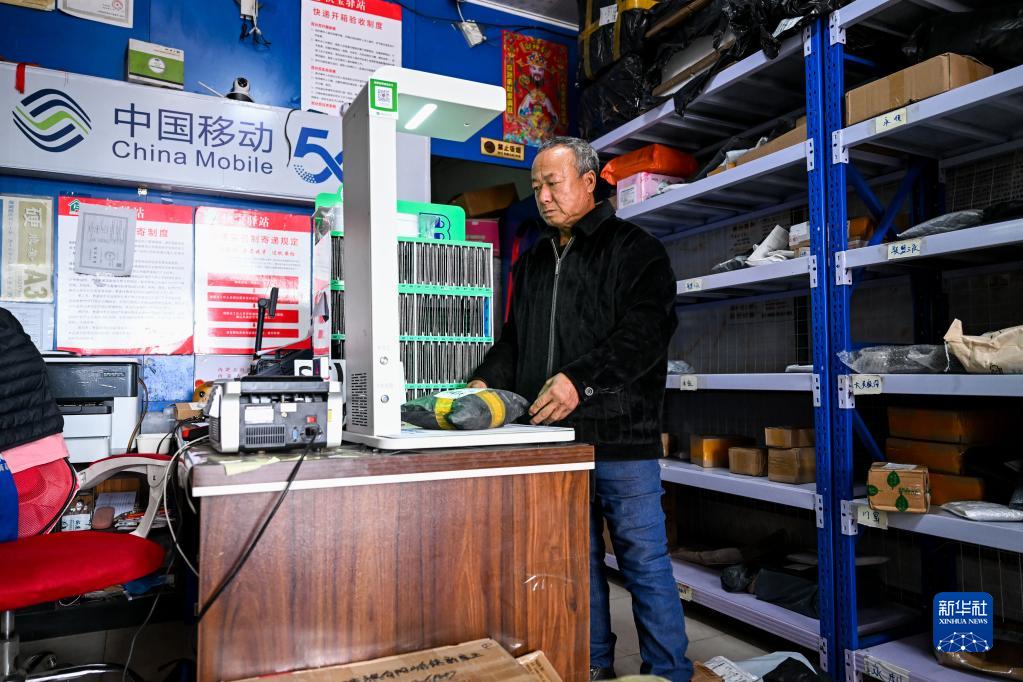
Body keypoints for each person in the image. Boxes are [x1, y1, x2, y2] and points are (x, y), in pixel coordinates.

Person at [469, 137, 692, 681]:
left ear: (589, 182)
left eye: (554, 183)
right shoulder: (533, 262)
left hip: (621, 437)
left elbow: (645, 333)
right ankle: (593, 667)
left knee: (643, 561)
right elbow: (515, 341)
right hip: (551, 441)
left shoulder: (635, 249)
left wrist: (581, 382)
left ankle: (668, 672)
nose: (543, 196)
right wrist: (482, 381)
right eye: (536, 187)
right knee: (576, 563)